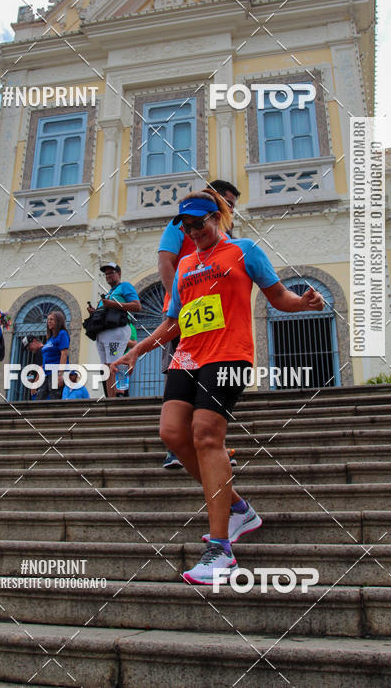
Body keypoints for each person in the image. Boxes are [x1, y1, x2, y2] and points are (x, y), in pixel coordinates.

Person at [112, 188, 324, 585]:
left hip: (229, 354)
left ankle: (221, 550)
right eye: (186, 228)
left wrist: (303, 303)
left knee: (206, 434)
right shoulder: (185, 265)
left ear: (217, 218)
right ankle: (238, 507)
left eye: (199, 224)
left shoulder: (244, 251)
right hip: (188, 356)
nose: (194, 233)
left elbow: (278, 296)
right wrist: (137, 350)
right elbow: (174, 321)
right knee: (172, 434)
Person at [158, 180, 240, 469]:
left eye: (233, 206)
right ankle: (176, 448)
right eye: (227, 202)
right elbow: (165, 262)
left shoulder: (224, 234)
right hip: (184, 313)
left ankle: (213, 445)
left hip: (215, 317)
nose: (230, 209)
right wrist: (179, 303)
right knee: (181, 373)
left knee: (212, 379)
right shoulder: (182, 224)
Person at [86, 263, 141, 398]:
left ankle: (120, 393)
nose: (108, 276)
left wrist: (113, 304)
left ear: (119, 274)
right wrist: (94, 312)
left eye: (111, 272)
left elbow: (137, 306)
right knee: (106, 367)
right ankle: (110, 398)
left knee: (116, 363)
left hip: (116, 331)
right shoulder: (109, 293)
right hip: (103, 333)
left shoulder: (125, 286)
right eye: (106, 274)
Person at [28, 310, 70, 400]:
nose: (49, 321)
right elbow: (44, 361)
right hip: (46, 374)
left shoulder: (62, 334)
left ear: (58, 321)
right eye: (48, 320)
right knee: (39, 400)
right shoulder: (50, 338)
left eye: (51, 319)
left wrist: (61, 374)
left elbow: (64, 354)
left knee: (54, 400)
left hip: (55, 373)